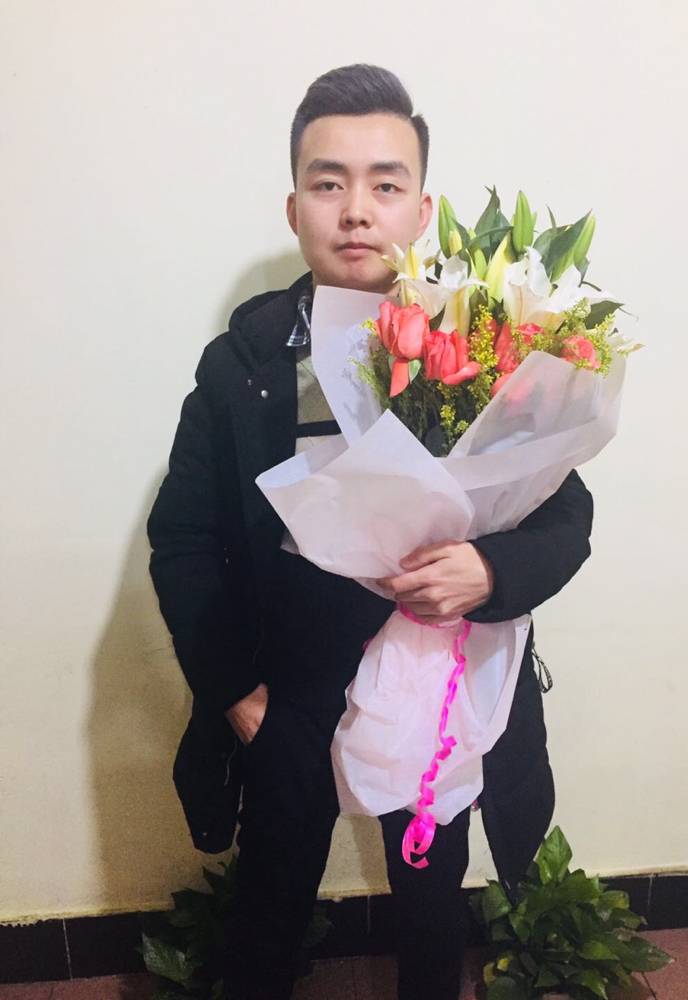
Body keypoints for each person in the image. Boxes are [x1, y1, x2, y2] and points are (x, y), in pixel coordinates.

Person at [147, 64, 594, 1000]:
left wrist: (489, 569)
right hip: (290, 681)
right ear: (294, 207)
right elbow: (184, 540)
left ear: (421, 211)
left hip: (435, 679)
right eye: (328, 183)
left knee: (431, 901)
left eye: (385, 184)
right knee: (271, 898)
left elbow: (564, 513)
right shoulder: (241, 366)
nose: (356, 210)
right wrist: (234, 691)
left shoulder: (487, 347)